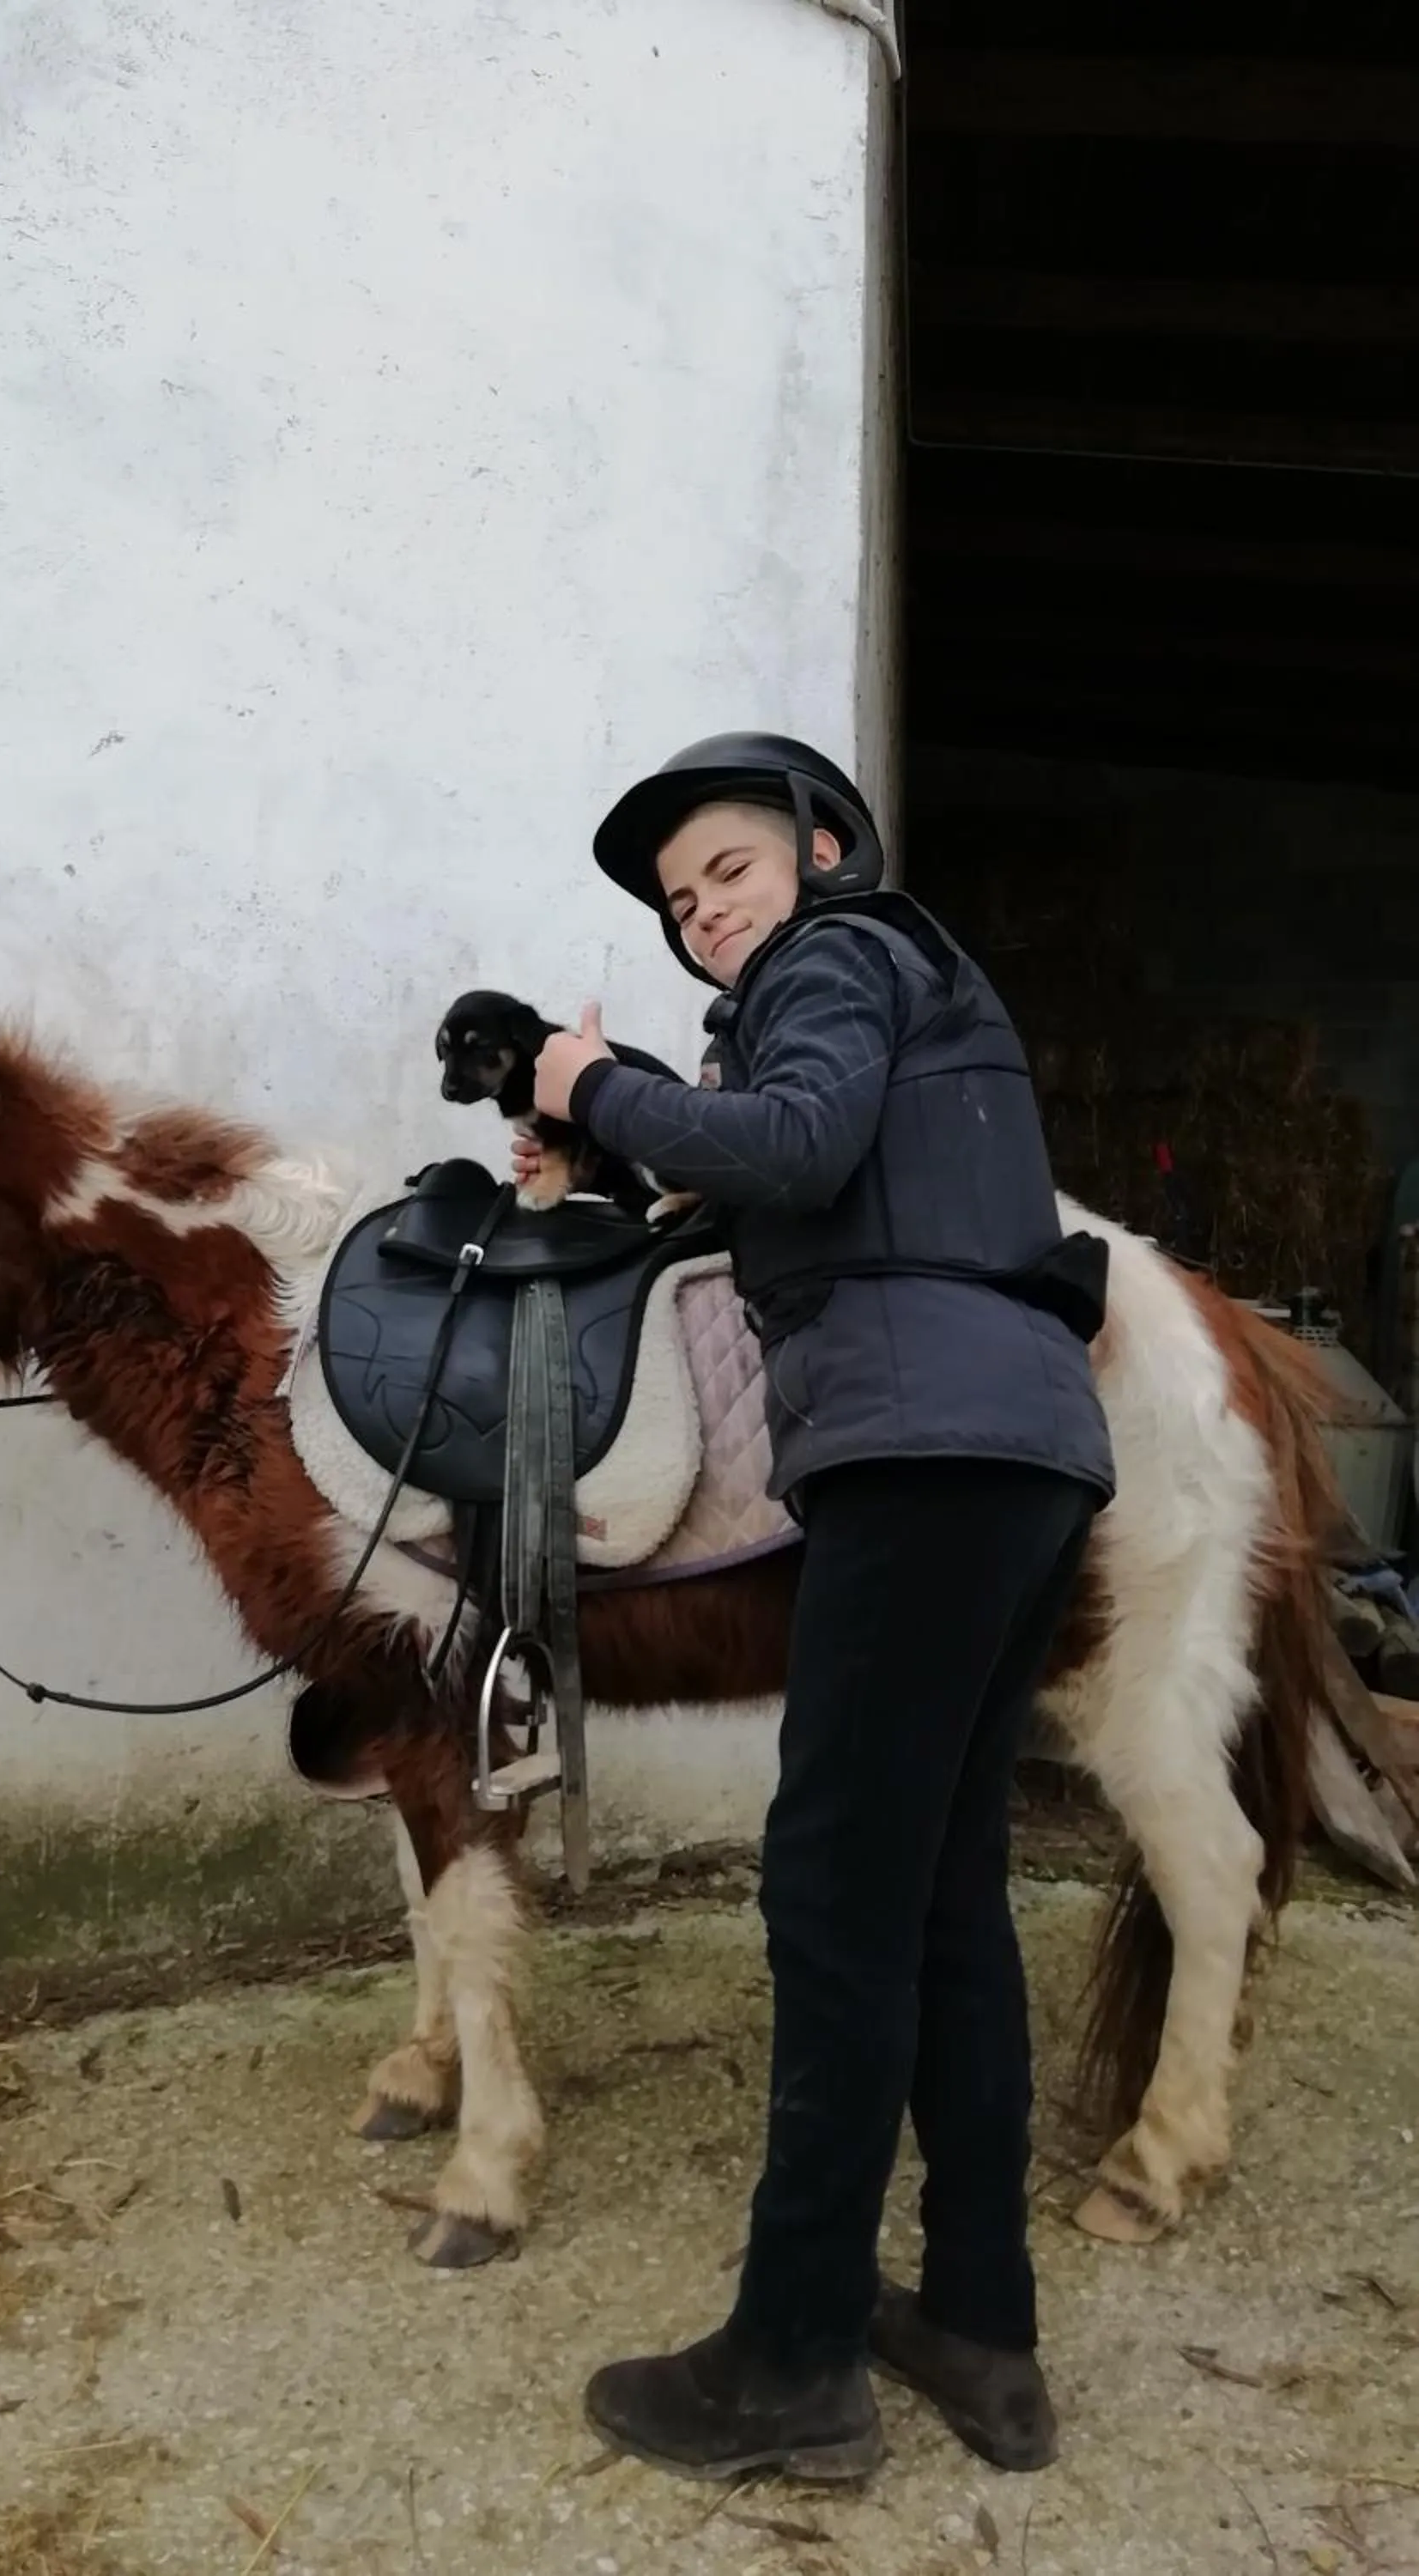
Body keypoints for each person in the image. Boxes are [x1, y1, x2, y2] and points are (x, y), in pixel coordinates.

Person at [526, 733, 1115, 2486]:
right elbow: (795, 1171)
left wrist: (589, 1081)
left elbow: (795, 1138)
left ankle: (790, 2360)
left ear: (822, 847)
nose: (706, 911)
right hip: (1020, 1452)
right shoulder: (887, 982)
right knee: (938, 1896)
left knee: (835, 1898)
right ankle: (982, 2331)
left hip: (921, 1452)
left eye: (728, 867)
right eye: (680, 898)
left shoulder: (839, 955)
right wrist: (617, 1148)